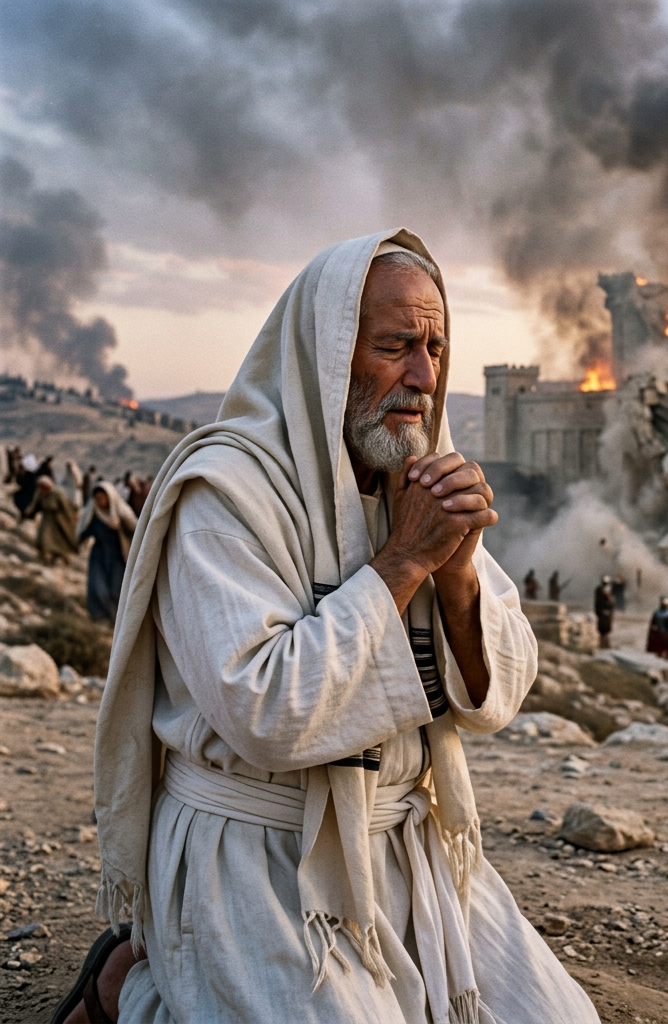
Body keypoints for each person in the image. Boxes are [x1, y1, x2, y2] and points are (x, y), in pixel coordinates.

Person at [55, 234, 598, 1024]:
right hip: (260, 854)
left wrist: (457, 573)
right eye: (395, 347)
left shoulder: (419, 474)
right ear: (328, 355)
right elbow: (265, 712)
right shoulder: (228, 494)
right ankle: (135, 985)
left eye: (437, 347)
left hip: (408, 849)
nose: (424, 377)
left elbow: (497, 696)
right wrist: (406, 559)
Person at [76, 481, 137, 623]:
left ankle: (117, 619)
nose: (100, 501)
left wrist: (120, 525)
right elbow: (84, 531)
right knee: (98, 587)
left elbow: (135, 530)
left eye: (102, 498)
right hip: (99, 555)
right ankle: (99, 617)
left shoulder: (121, 513)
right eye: (97, 499)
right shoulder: (93, 514)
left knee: (116, 589)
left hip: (117, 556)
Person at [23, 475, 79, 564]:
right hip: (46, 518)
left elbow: (66, 507)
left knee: (59, 539)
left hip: (58, 519)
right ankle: (43, 557)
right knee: (43, 537)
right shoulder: (40, 493)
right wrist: (29, 512)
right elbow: (35, 504)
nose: (41, 489)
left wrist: (71, 519)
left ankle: (62, 556)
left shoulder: (57, 493)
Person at [594, 575, 615, 649]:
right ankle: (603, 645)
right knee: (602, 630)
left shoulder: (609, 590)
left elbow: (611, 603)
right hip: (602, 612)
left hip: (607, 613)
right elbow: (598, 602)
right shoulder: (599, 590)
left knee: (607, 629)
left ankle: (605, 645)